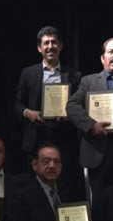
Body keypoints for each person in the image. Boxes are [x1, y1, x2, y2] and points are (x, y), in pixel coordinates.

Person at [14, 26, 83, 199]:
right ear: (39, 48)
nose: (50, 46)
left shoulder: (74, 74)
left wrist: (70, 115)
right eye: (46, 43)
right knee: (34, 188)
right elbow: (17, 103)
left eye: (54, 42)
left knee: (65, 186)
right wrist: (27, 112)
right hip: (36, 137)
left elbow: (81, 105)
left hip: (64, 138)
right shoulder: (28, 73)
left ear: (60, 46)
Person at [66, 37, 113, 199]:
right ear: (102, 58)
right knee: (99, 202)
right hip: (97, 151)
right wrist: (91, 126)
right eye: (110, 51)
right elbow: (72, 105)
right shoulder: (88, 82)